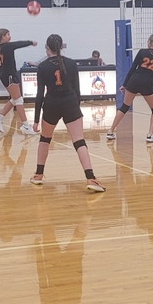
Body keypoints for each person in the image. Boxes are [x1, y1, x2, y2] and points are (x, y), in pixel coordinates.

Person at [30, 34, 105, 192]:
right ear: (61, 47)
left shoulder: (43, 66)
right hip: (70, 102)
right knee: (79, 142)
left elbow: (39, 95)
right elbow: (77, 90)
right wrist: (75, 109)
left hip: (51, 104)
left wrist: (36, 120)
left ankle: (38, 175)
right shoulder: (71, 63)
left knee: (45, 139)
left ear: (47, 48)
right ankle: (91, 178)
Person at [106, 33, 153, 143]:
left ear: (150, 42)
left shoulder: (142, 52)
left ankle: (110, 131)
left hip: (134, 80)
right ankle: (150, 135)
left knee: (124, 107)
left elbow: (132, 68)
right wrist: (151, 84)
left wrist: (125, 84)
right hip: (147, 82)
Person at [0, 28, 37, 135]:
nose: (10, 36)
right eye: (8, 35)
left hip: (7, 74)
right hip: (9, 75)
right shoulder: (7, 46)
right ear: (3, 37)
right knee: (19, 100)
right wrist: (31, 42)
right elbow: (19, 44)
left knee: (15, 99)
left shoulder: (0, 46)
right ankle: (25, 125)